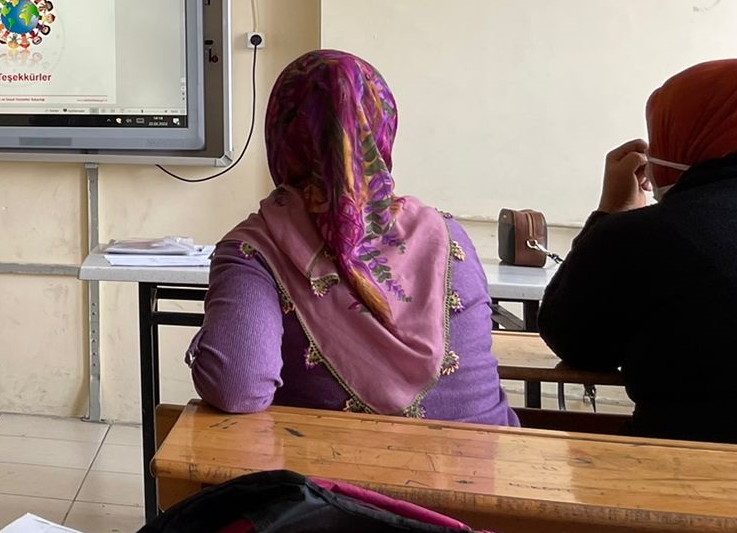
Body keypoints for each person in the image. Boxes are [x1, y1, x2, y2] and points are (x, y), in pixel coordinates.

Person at [187, 49, 515, 425]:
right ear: (382, 131)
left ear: (281, 134)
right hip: (490, 457)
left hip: (337, 464)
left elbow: (238, 389)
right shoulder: (446, 232)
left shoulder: (256, 248)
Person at [539, 59, 737, 442]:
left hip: (684, 465)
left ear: (684, 135)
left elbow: (576, 341)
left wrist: (610, 212)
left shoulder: (645, 235)